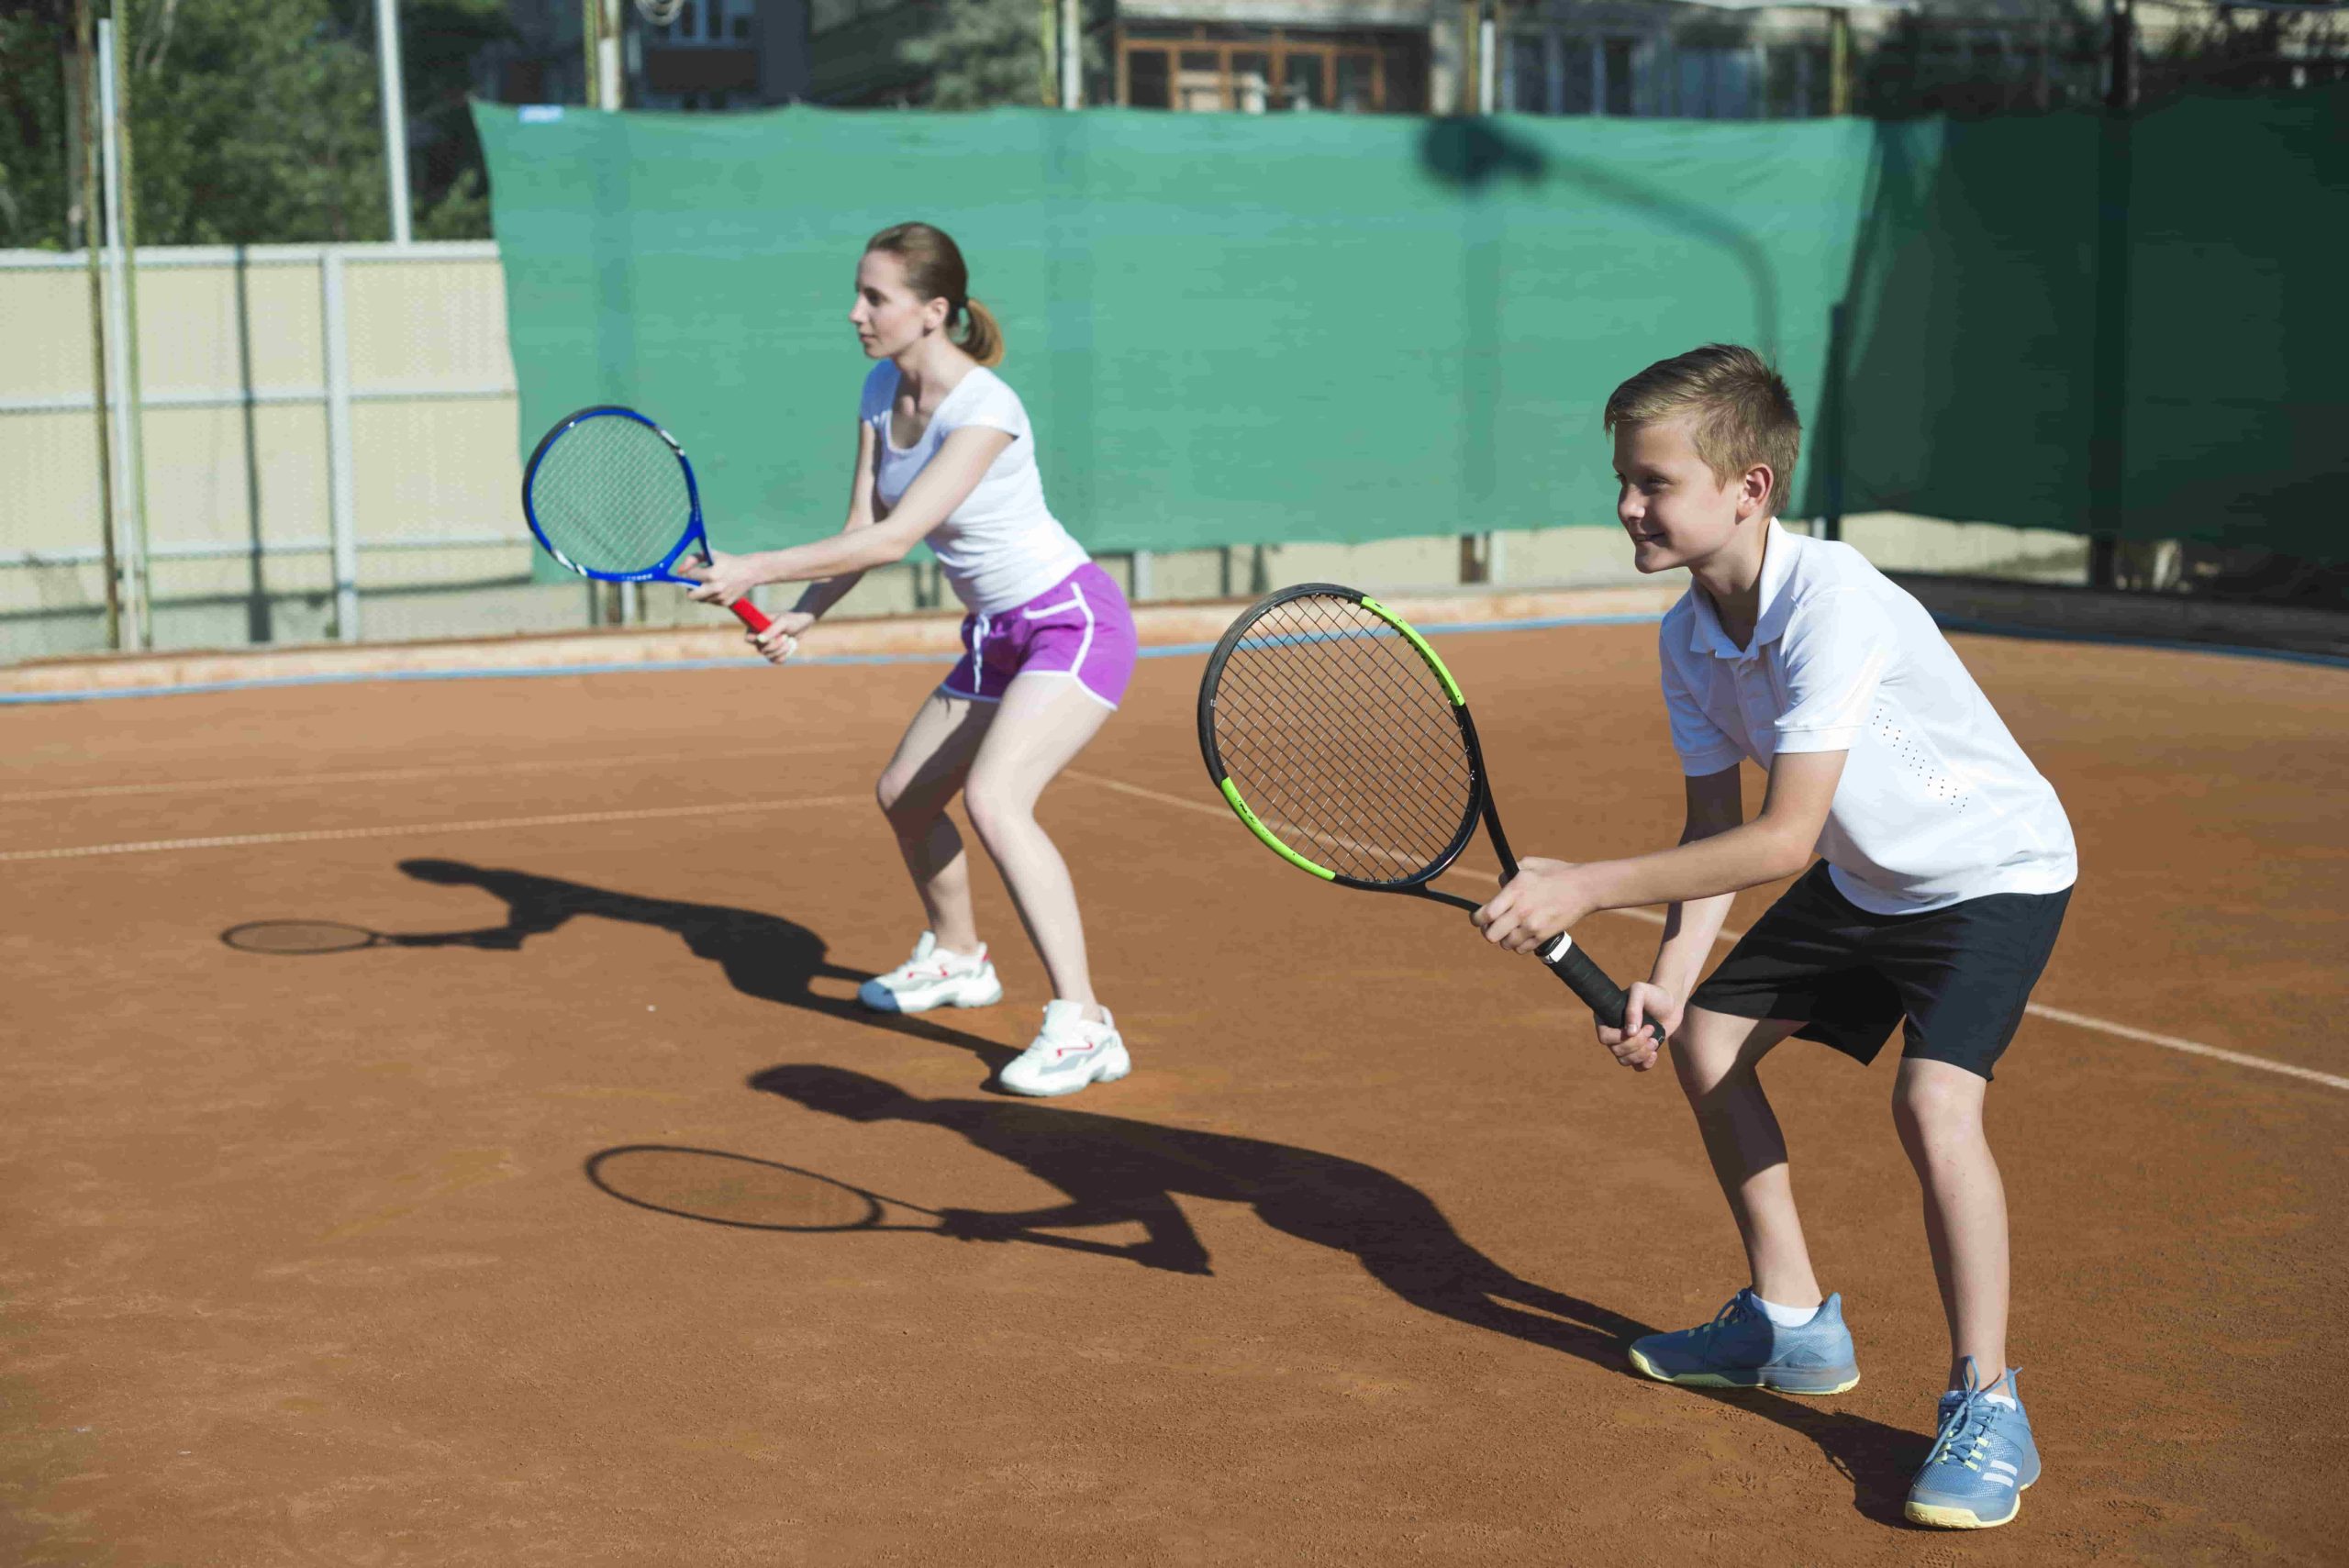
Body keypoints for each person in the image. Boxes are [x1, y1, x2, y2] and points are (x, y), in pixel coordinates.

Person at [1471, 344, 2076, 1530]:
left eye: (1653, 482)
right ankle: (1793, 1323)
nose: (1626, 504)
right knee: (1704, 1045)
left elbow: (1785, 836)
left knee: (1933, 1105)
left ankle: (1988, 1399)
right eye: (1623, 478)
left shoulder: (1833, 601)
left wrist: (1588, 884)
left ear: (1748, 489)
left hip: (1989, 870)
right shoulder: (1687, 636)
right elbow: (1717, 829)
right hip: (1867, 873)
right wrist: (1669, 975)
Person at [684, 221, 1136, 1099]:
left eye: (875, 298)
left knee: (999, 800)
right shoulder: (877, 389)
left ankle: (1085, 1023)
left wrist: (755, 567)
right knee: (905, 795)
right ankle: (960, 958)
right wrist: (802, 615)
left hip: (1072, 625)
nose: (855, 312)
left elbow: (896, 539)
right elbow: (859, 532)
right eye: (858, 293)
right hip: (996, 636)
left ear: (933, 311)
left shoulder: (986, 409)